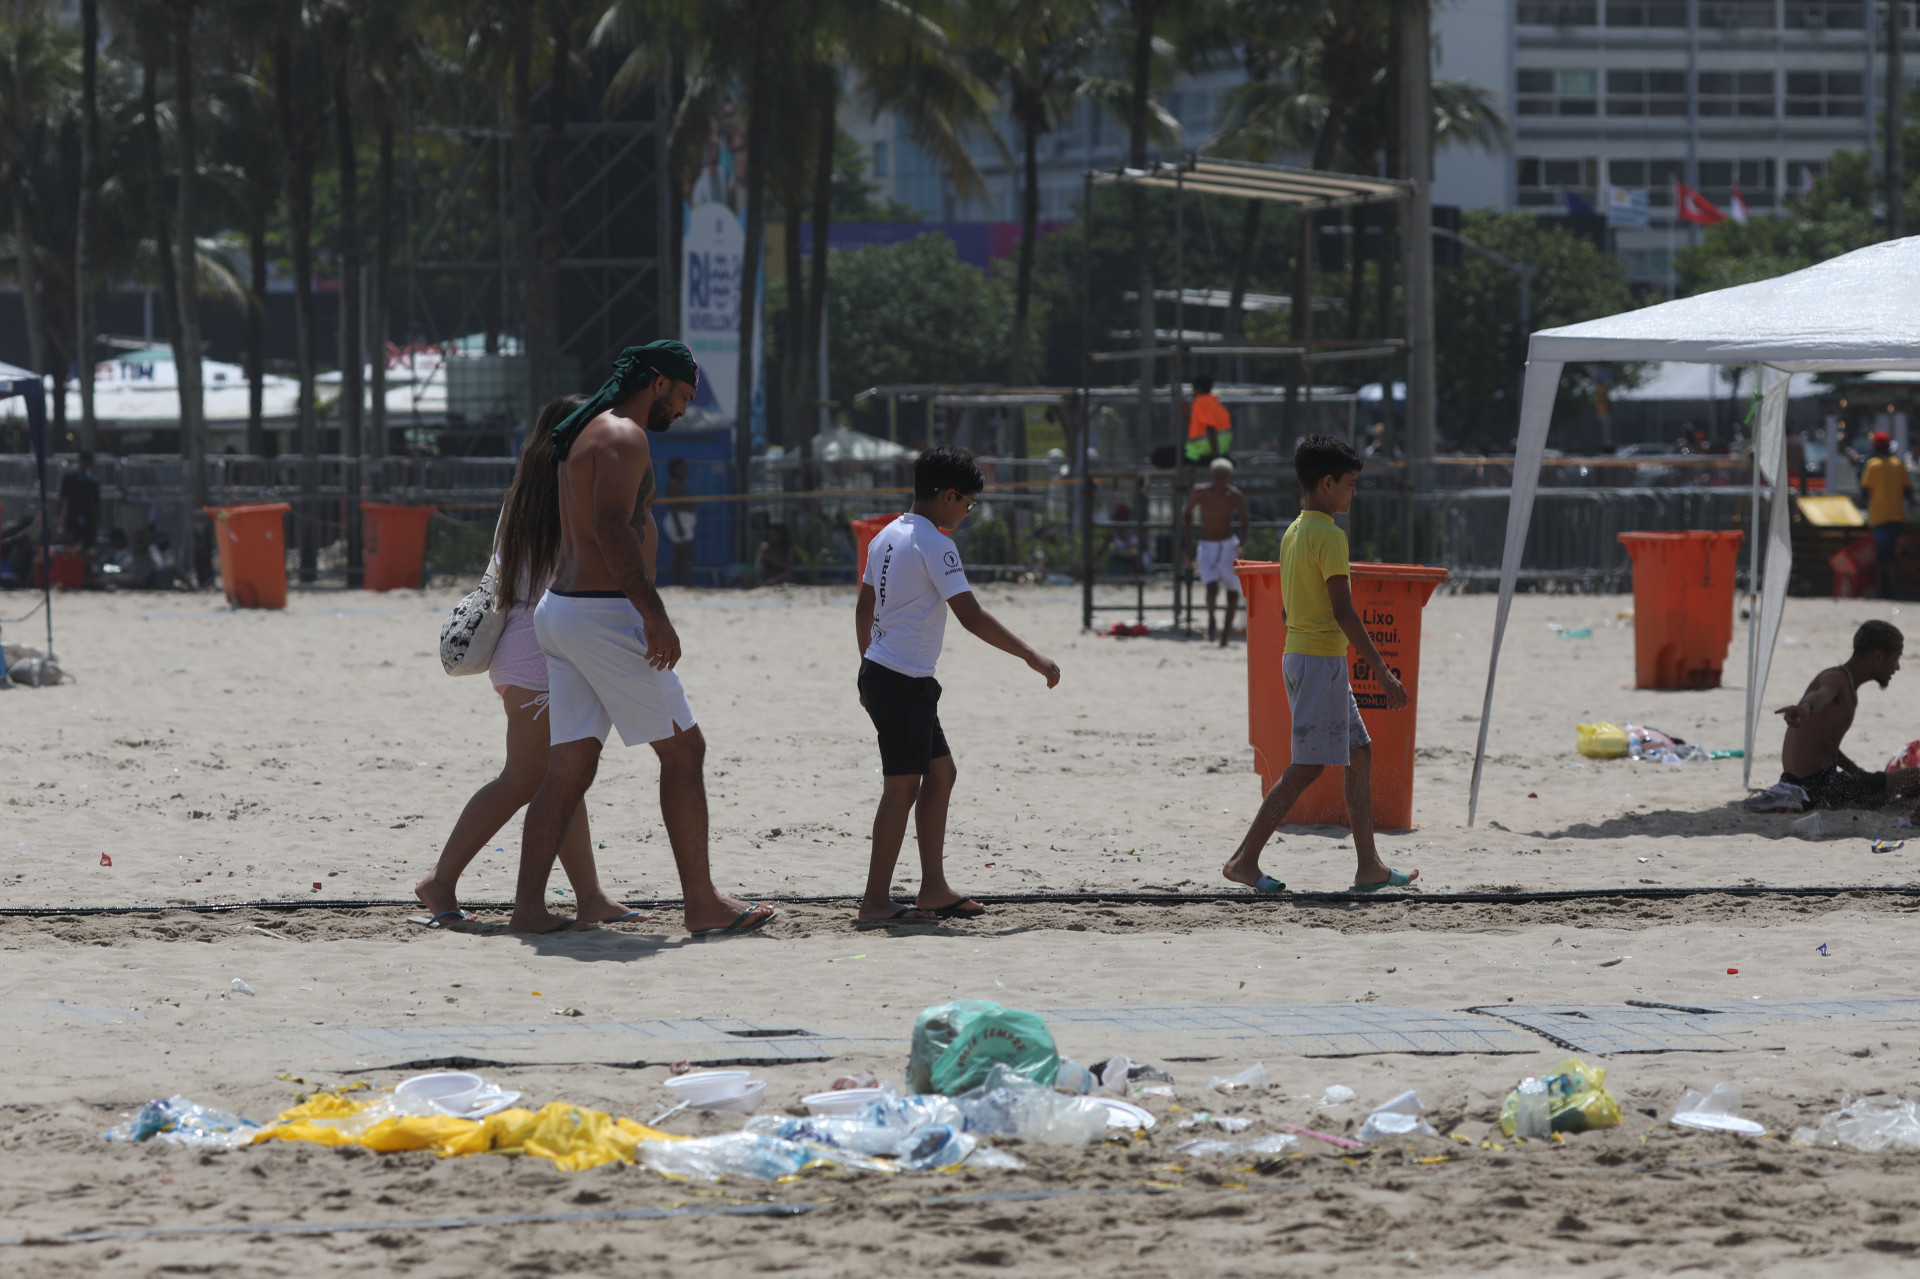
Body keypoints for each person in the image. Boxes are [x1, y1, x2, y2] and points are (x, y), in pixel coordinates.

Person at [511, 340, 774, 938]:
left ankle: (527, 910)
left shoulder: (583, 433)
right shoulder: (625, 436)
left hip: (563, 610)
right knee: (685, 751)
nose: (682, 411)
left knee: (570, 766)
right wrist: (653, 613)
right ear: (657, 383)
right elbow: (612, 529)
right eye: (681, 397)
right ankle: (703, 904)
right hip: (603, 615)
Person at [415, 394, 645, 931]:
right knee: (527, 778)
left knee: (559, 775)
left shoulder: (525, 494)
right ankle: (441, 880)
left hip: (522, 645)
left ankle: (590, 896)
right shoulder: (568, 493)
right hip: (538, 652)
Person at [853, 446, 1060, 926]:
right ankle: (876, 901)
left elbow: (864, 606)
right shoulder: (935, 542)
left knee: (940, 774)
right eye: (968, 503)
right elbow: (970, 615)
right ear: (947, 496)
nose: (968, 512)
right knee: (900, 788)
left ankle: (932, 887)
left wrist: (865, 665)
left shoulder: (886, 534)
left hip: (894, 675)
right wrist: (1031, 654)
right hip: (901, 679)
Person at [1220, 434, 1415, 895]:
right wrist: (1384, 673)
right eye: (1350, 484)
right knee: (1307, 766)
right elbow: (1344, 610)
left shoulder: (1293, 531)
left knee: (1359, 753)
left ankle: (1369, 866)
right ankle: (1243, 860)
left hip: (1305, 656)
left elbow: (1289, 611)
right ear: (1327, 483)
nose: (1354, 492)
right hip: (1319, 661)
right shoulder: (1330, 536)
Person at [1773, 620, 1920, 810]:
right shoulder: (1836, 679)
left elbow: (1825, 745)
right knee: (1915, 776)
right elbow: (1819, 696)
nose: (1897, 667)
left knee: (1888, 784)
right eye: (1896, 659)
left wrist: (1855, 770)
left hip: (1803, 783)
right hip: (1819, 788)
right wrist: (1805, 708)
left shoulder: (1842, 680)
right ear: (1878, 657)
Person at [1183, 457, 1251, 645]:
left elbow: (1245, 524)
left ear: (1229, 477)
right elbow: (1187, 515)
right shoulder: (1200, 493)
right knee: (1211, 587)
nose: (1220, 480)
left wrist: (1241, 544)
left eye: (1224, 476)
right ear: (1211, 476)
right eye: (1217, 476)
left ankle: (1225, 636)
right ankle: (1212, 618)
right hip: (1207, 545)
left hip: (1228, 545)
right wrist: (1188, 545)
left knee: (1232, 591)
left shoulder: (1234, 496)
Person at [1859, 432, 1911, 599]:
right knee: (1891, 555)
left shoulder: (1873, 465)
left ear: (1875, 447)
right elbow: (1908, 492)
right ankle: (1892, 591)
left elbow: (1865, 492)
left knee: (1884, 556)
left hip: (1879, 517)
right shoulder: (1899, 465)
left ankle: (1887, 592)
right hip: (1897, 517)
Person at [659, 456, 699, 586]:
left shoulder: (678, 484)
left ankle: (679, 583)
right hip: (678, 522)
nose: (686, 471)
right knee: (687, 553)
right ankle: (688, 583)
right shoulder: (673, 485)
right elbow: (673, 507)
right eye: (682, 468)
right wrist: (679, 526)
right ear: (675, 470)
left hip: (682, 522)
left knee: (680, 554)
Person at [57, 451, 101, 549]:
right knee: (70, 543)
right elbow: (63, 497)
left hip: (87, 515)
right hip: (72, 514)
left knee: (88, 543)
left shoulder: (92, 481)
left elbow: (96, 503)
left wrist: (97, 522)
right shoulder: (69, 478)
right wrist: (60, 515)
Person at [1184, 374, 1232, 463]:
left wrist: (1215, 456)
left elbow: (1210, 428)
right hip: (1220, 448)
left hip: (1203, 450)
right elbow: (1196, 427)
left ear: (1198, 389)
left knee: (1160, 455)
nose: (1192, 392)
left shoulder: (1202, 402)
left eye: (1193, 389)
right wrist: (1184, 410)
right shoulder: (1213, 401)